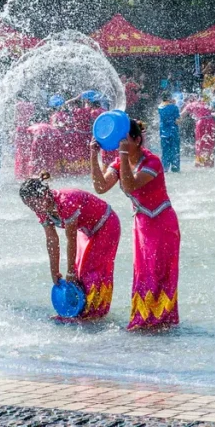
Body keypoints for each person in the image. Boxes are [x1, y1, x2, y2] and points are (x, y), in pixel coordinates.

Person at [91, 119, 179, 330]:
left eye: (125, 140)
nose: (120, 143)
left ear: (137, 140)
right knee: (142, 271)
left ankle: (157, 320)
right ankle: (144, 318)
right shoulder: (119, 162)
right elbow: (100, 187)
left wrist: (121, 155)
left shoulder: (152, 162)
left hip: (162, 223)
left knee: (156, 271)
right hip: (141, 222)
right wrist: (93, 155)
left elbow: (130, 186)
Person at [20, 173, 120, 320]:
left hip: (106, 224)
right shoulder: (41, 210)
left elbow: (70, 239)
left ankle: (94, 313)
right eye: (29, 206)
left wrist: (70, 271)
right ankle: (79, 310)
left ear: (45, 194)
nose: (34, 208)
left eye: (34, 203)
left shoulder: (65, 201)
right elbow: (52, 241)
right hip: (86, 229)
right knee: (79, 270)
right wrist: (54, 272)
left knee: (90, 269)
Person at [157, 93, 181, 173]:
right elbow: (178, 121)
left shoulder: (159, 107)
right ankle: (175, 167)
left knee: (165, 150)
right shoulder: (174, 107)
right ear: (169, 98)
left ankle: (165, 167)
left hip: (163, 131)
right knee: (175, 149)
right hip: (173, 131)